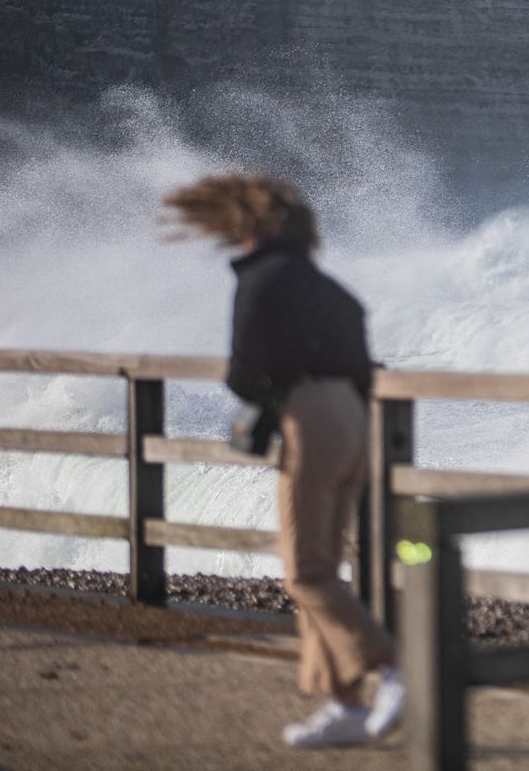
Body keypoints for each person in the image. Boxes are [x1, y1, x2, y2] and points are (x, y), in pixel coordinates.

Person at [164, 172, 404, 747]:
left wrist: (270, 395)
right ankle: (344, 706)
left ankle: (395, 665)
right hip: (355, 421)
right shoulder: (330, 289)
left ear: (246, 227)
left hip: (312, 420)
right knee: (324, 565)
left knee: (305, 569)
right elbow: (363, 366)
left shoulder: (261, 280)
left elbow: (243, 371)